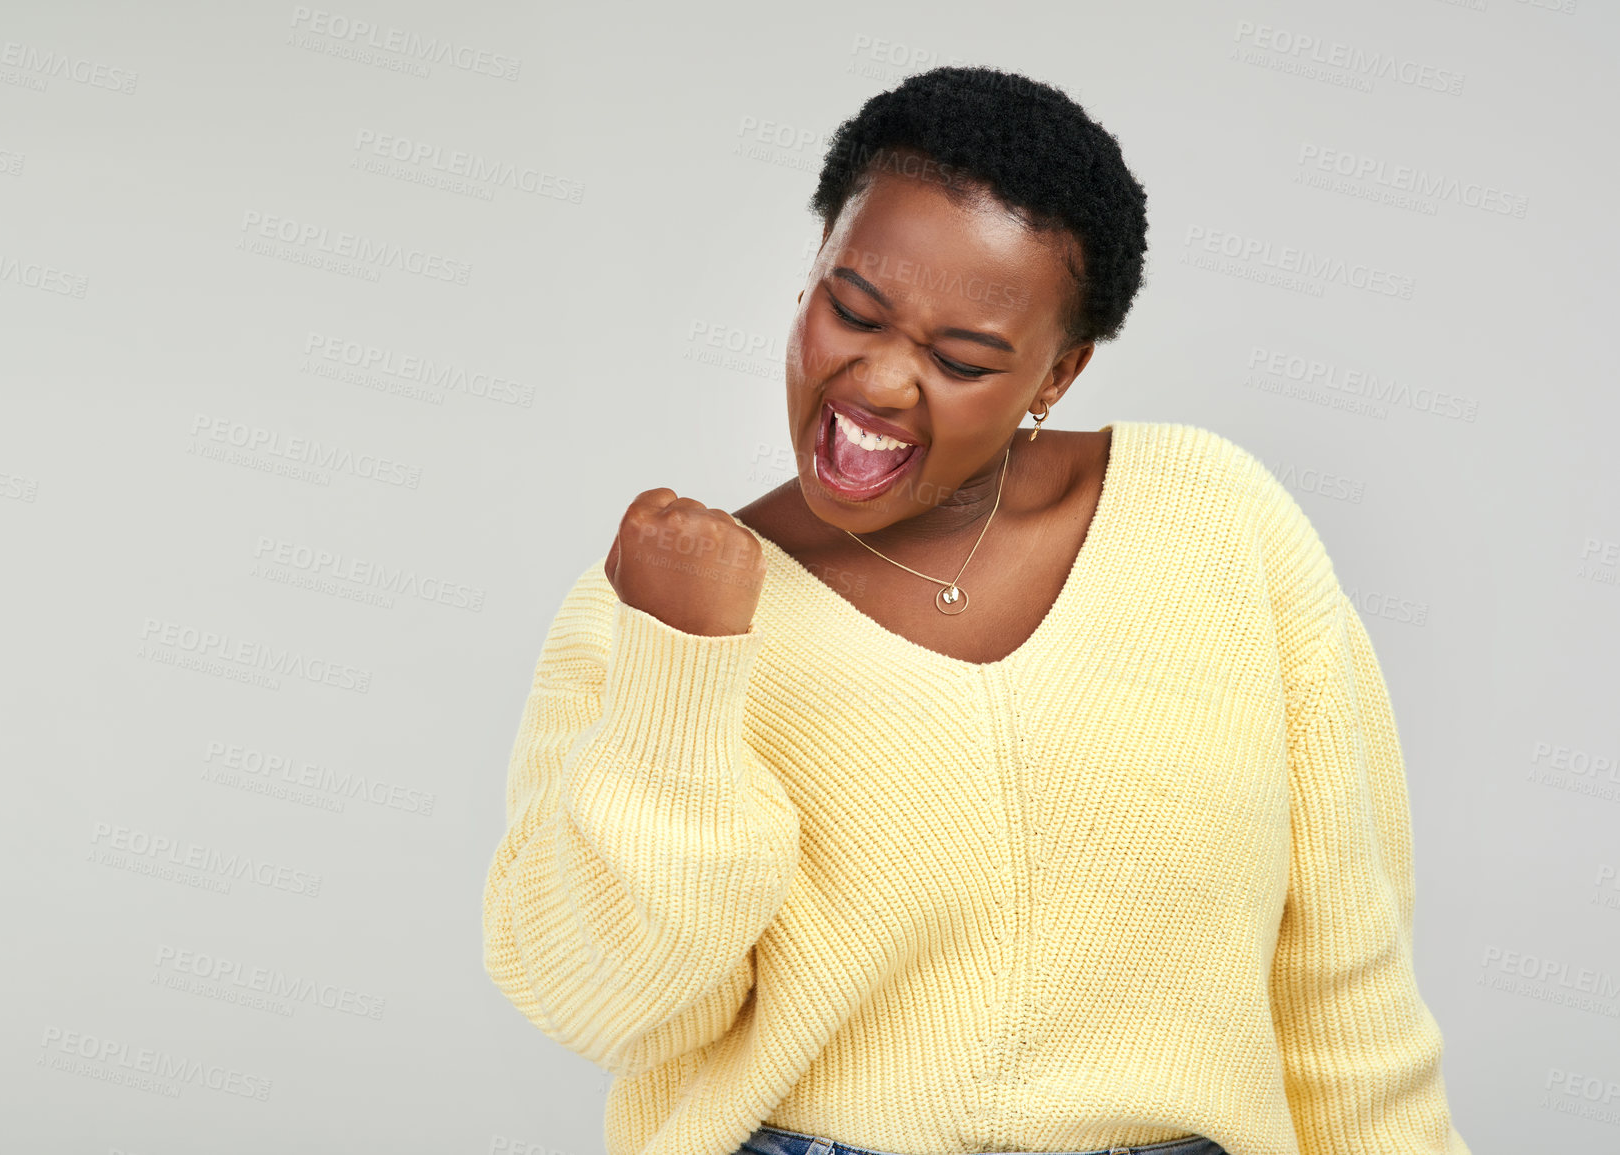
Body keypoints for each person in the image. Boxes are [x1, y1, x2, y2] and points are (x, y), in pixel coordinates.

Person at [482, 65, 1472, 1155]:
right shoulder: (653, 602)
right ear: (812, 272)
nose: (883, 382)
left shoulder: (1221, 525)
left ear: (1058, 375)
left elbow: (1349, 989)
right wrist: (684, 660)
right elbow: (608, 1007)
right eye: (851, 307)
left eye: (962, 360)